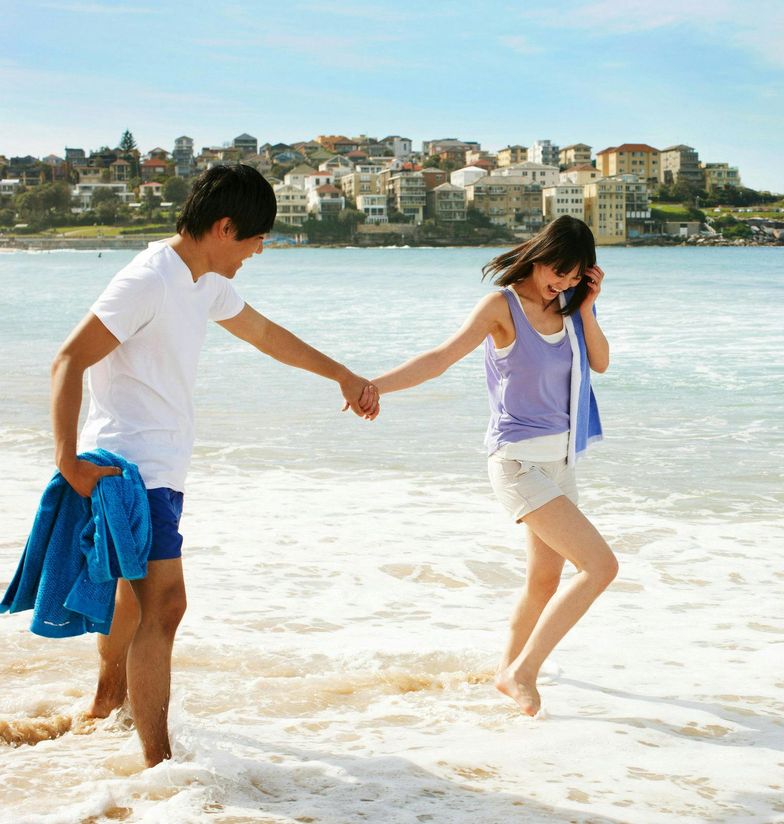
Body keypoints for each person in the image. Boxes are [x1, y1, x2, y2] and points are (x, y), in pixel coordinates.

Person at [51, 164, 379, 767]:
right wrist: (67, 461)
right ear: (225, 227)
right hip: (130, 467)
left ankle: (105, 707)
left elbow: (265, 335)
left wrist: (343, 374)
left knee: (133, 598)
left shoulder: (202, 280)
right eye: (256, 240)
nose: (259, 251)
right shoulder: (149, 278)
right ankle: (159, 765)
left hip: (160, 468)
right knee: (167, 605)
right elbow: (69, 359)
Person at [362, 215, 617, 717]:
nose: (561, 283)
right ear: (539, 255)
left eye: (573, 277)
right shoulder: (501, 307)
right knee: (601, 567)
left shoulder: (568, 309)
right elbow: (440, 357)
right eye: (557, 273)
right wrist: (374, 386)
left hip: (561, 462)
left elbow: (601, 362)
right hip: (518, 462)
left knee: (544, 580)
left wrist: (587, 307)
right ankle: (524, 672)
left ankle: (505, 672)